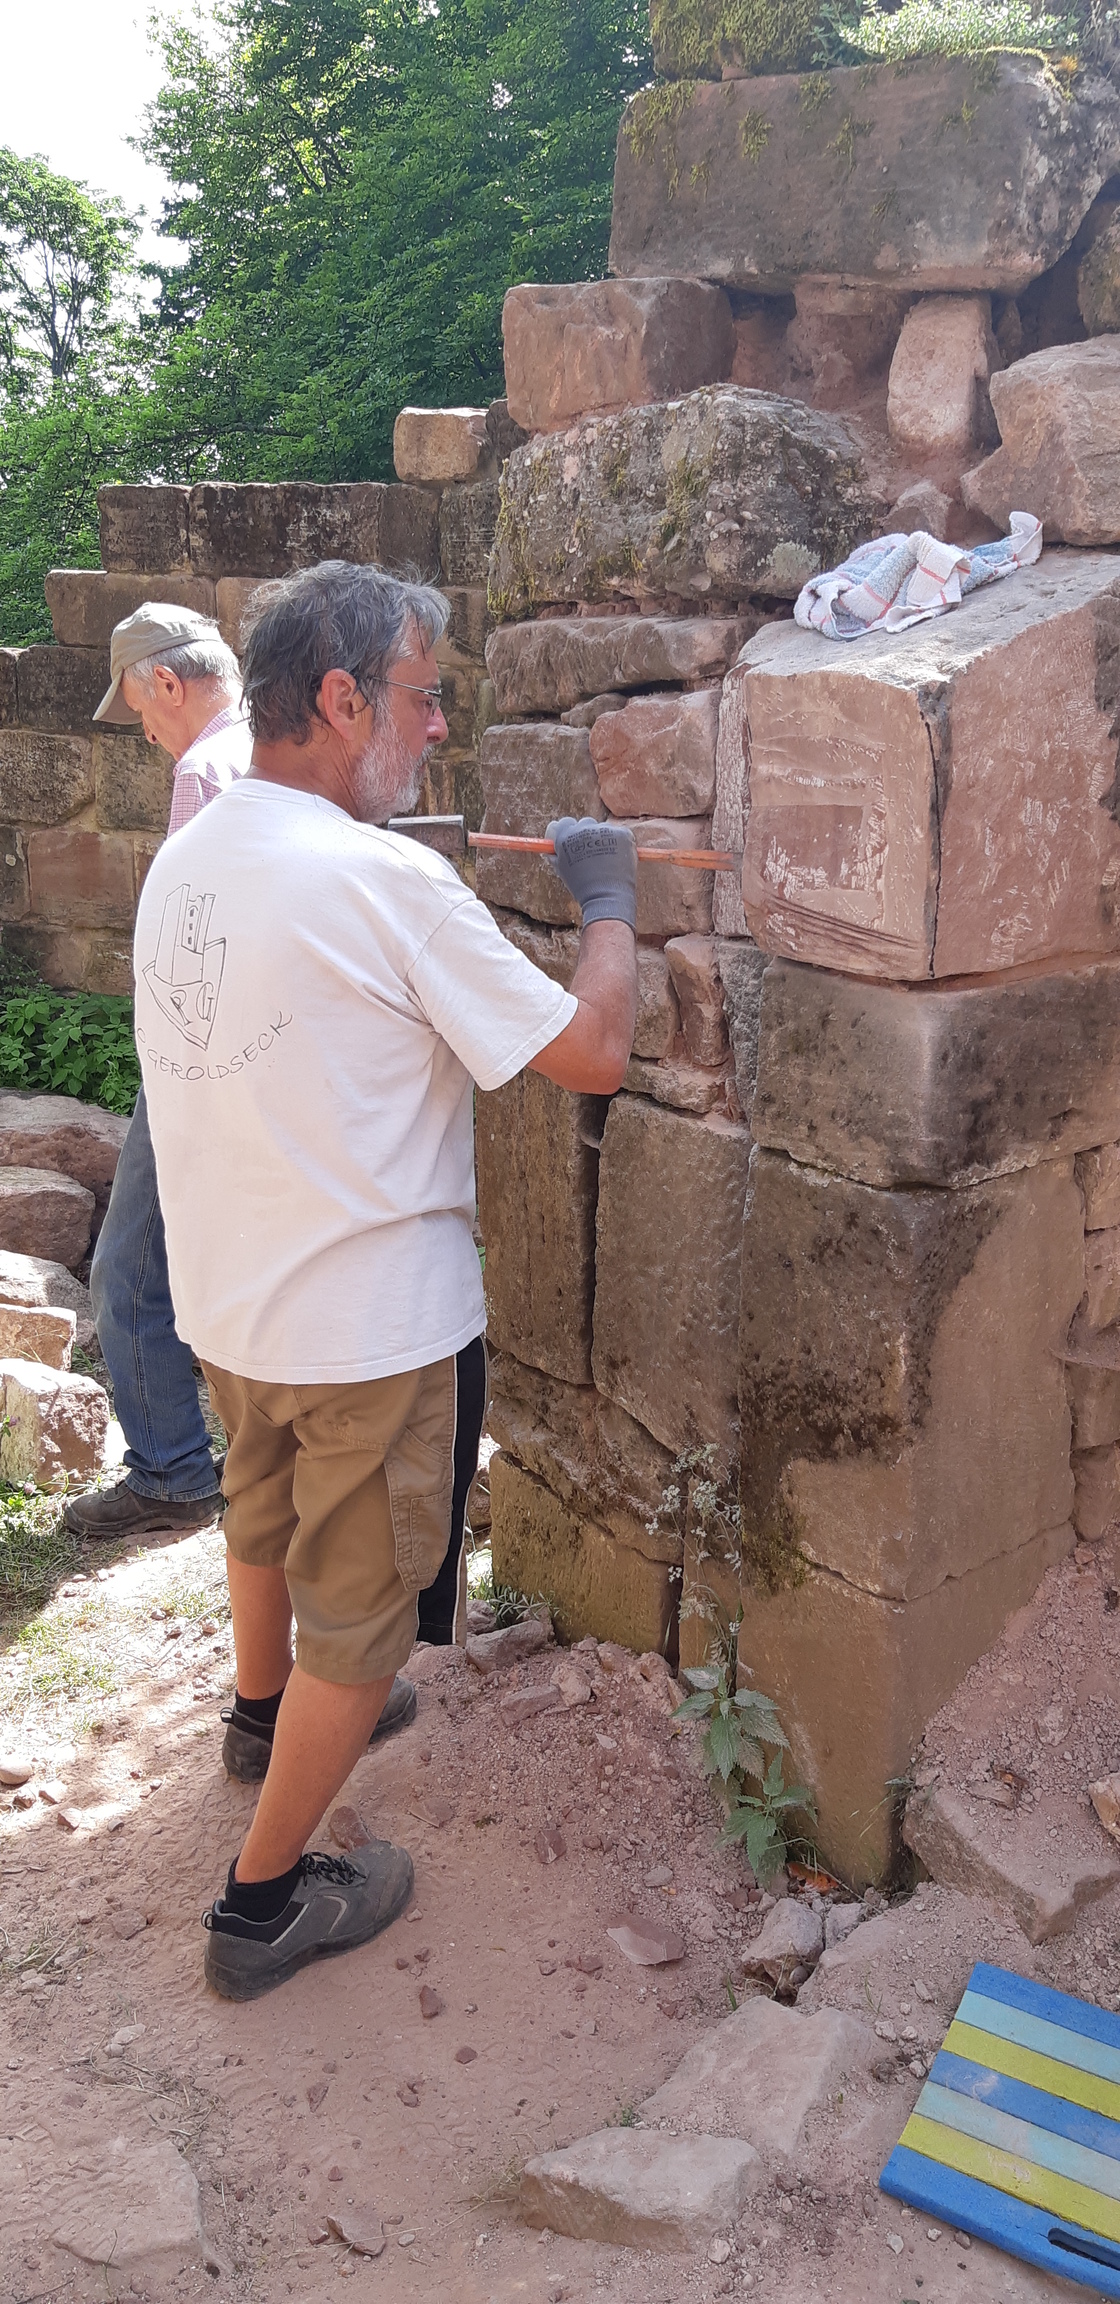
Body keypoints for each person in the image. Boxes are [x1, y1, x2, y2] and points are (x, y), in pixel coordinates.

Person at [131, 559, 638, 2000]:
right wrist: (609, 905)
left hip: (235, 1304)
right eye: (422, 698)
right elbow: (593, 1054)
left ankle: (260, 1716)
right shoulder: (385, 880)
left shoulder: (193, 855)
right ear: (344, 699)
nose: (438, 727)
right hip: (367, 1330)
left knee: (261, 1513)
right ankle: (263, 1905)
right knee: (361, 1619)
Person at [63, 606, 252, 1543]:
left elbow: (193, 942)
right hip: (269, 1056)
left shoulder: (208, 771)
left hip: (199, 1059)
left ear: (169, 683)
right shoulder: (274, 752)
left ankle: (172, 1474)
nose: (142, 731)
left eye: (139, 709)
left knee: (130, 1272)